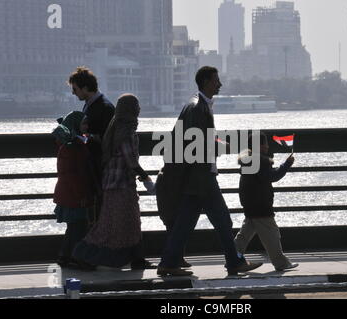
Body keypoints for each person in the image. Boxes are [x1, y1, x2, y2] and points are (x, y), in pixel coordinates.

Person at [157, 66, 263, 276]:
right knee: (223, 220)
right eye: (216, 80)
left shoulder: (195, 106)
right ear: (206, 81)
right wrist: (222, 147)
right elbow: (196, 144)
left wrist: (217, 142)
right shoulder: (199, 108)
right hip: (201, 177)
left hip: (195, 178)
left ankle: (168, 262)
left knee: (184, 224)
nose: (220, 84)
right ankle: (234, 262)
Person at [72, 94, 156, 270]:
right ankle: (83, 255)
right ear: (131, 109)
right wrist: (146, 178)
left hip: (111, 184)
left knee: (118, 222)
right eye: (136, 105)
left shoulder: (114, 126)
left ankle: (136, 259)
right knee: (123, 223)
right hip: (122, 185)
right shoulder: (126, 129)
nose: (139, 109)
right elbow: (130, 158)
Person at [234, 132, 299, 271]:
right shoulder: (260, 161)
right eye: (265, 144)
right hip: (261, 205)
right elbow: (272, 176)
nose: (268, 146)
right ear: (259, 146)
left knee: (243, 236)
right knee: (272, 235)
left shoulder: (249, 161)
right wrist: (286, 164)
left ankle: (233, 259)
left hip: (250, 204)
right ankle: (281, 263)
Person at [68, 67, 115, 221]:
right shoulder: (92, 104)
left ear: (85, 88)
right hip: (93, 166)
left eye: (75, 89)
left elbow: (107, 139)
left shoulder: (105, 108)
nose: (73, 93)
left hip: (99, 167)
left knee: (99, 207)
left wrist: (83, 137)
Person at [51, 111, 95, 268]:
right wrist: (81, 194)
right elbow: (72, 175)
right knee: (79, 227)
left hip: (69, 194)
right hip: (74, 195)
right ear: (76, 126)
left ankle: (66, 256)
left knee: (74, 227)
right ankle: (76, 258)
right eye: (84, 123)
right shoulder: (73, 147)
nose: (87, 126)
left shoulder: (71, 144)